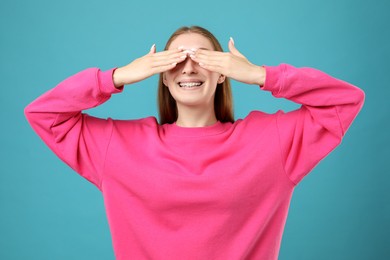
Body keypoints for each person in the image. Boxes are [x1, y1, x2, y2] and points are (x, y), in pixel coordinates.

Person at [25, 26, 365, 260]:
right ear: (162, 74)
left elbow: (345, 101)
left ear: (222, 72)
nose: (188, 68)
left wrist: (261, 74)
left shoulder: (271, 141)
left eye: (203, 58)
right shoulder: (119, 146)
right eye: (175, 59)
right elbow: (43, 113)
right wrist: (116, 76)